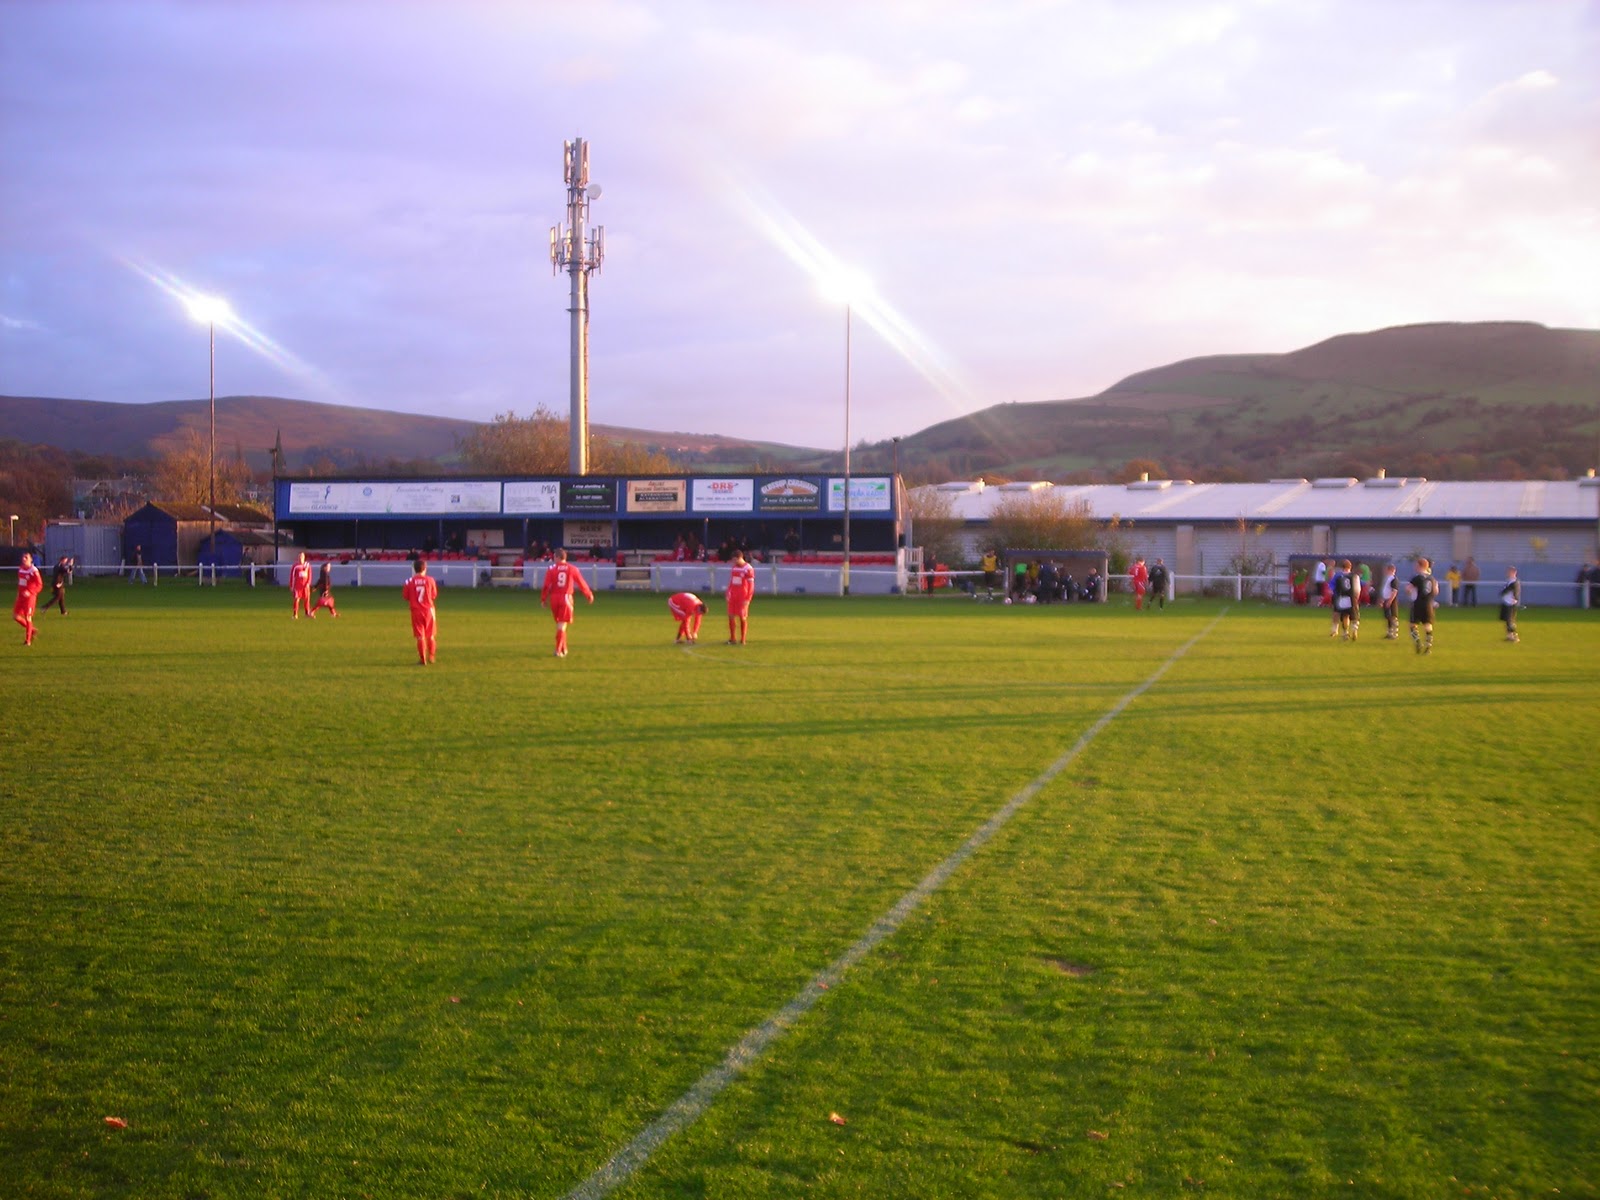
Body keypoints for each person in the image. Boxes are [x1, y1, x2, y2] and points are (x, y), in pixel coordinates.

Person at [540, 548, 593, 658]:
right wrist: (588, 594)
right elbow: (581, 583)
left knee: (560, 625)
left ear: (558, 557)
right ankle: (558, 650)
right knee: (561, 626)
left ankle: (564, 649)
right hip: (566, 598)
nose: (553, 559)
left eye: (554, 557)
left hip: (554, 598)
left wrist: (544, 599)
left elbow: (546, 586)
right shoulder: (572, 569)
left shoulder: (551, 569)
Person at [402, 556, 438, 665]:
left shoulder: (409, 581)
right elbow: (434, 595)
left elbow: (405, 596)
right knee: (430, 635)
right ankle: (431, 656)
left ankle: (423, 660)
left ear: (414, 569)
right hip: (428, 611)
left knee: (419, 636)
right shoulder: (430, 580)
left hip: (416, 611)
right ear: (425, 569)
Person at [1407, 556, 1440, 655]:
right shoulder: (1432, 579)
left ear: (1420, 566)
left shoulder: (1417, 578)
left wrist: (1410, 594)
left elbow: (1408, 589)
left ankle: (1418, 643)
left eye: (1416, 565)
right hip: (1429, 605)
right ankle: (1428, 646)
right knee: (1428, 626)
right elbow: (1436, 591)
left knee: (1412, 625)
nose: (1415, 567)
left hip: (1418, 604)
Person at [14, 552, 43, 646]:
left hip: (30, 597)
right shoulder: (21, 569)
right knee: (16, 616)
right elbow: (21, 583)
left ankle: (28, 640)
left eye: (26, 557)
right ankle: (33, 630)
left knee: (28, 617)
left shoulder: (34, 571)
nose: (24, 559)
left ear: (31, 559)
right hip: (21, 596)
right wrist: (19, 593)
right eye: (23, 557)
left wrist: (30, 592)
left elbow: (39, 585)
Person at [726, 550, 755, 644]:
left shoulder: (748, 568)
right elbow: (732, 581)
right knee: (730, 616)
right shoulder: (734, 568)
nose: (734, 562)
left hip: (742, 596)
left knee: (742, 617)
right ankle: (733, 638)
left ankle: (743, 639)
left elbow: (751, 585)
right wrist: (728, 592)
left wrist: (748, 598)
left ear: (740, 558)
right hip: (733, 595)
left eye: (735, 560)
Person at [1332, 557, 1360, 641]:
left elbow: (1336, 590)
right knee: (1354, 616)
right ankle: (1354, 630)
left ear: (1342, 567)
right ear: (1350, 567)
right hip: (1352, 597)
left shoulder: (1338, 577)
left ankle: (1345, 633)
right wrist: (1356, 598)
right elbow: (1358, 589)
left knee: (1344, 616)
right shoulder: (1355, 576)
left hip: (1342, 598)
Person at [1377, 563, 1401, 640]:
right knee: (1388, 617)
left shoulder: (1394, 579)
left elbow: (1394, 591)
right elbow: (1385, 590)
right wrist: (1382, 599)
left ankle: (1395, 633)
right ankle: (1389, 632)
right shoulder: (1387, 578)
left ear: (1391, 570)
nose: (1385, 571)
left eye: (1387, 569)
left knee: (1393, 617)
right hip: (1386, 599)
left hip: (1391, 600)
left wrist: (1390, 601)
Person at [1498, 566, 1521, 642]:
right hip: (1506, 602)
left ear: (1514, 572)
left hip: (1510, 604)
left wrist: (1515, 599)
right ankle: (1509, 636)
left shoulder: (1515, 582)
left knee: (1510, 620)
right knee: (1507, 621)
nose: (1508, 573)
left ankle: (1515, 636)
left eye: (1510, 571)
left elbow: (1516, 592)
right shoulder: (1509, 581)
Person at [289, 552, 313, 619]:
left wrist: (308, 583)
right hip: (297, 586)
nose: (300, 558)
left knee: (307, 599)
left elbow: (309, 575)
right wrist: (291, 585)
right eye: (299, 557)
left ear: (304, 557)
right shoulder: (295, 566)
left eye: (302, 556)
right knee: (297, 599)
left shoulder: (307, 565)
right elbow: (292, 576)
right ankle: (295, 614)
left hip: (305, 586)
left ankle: (307, 613)